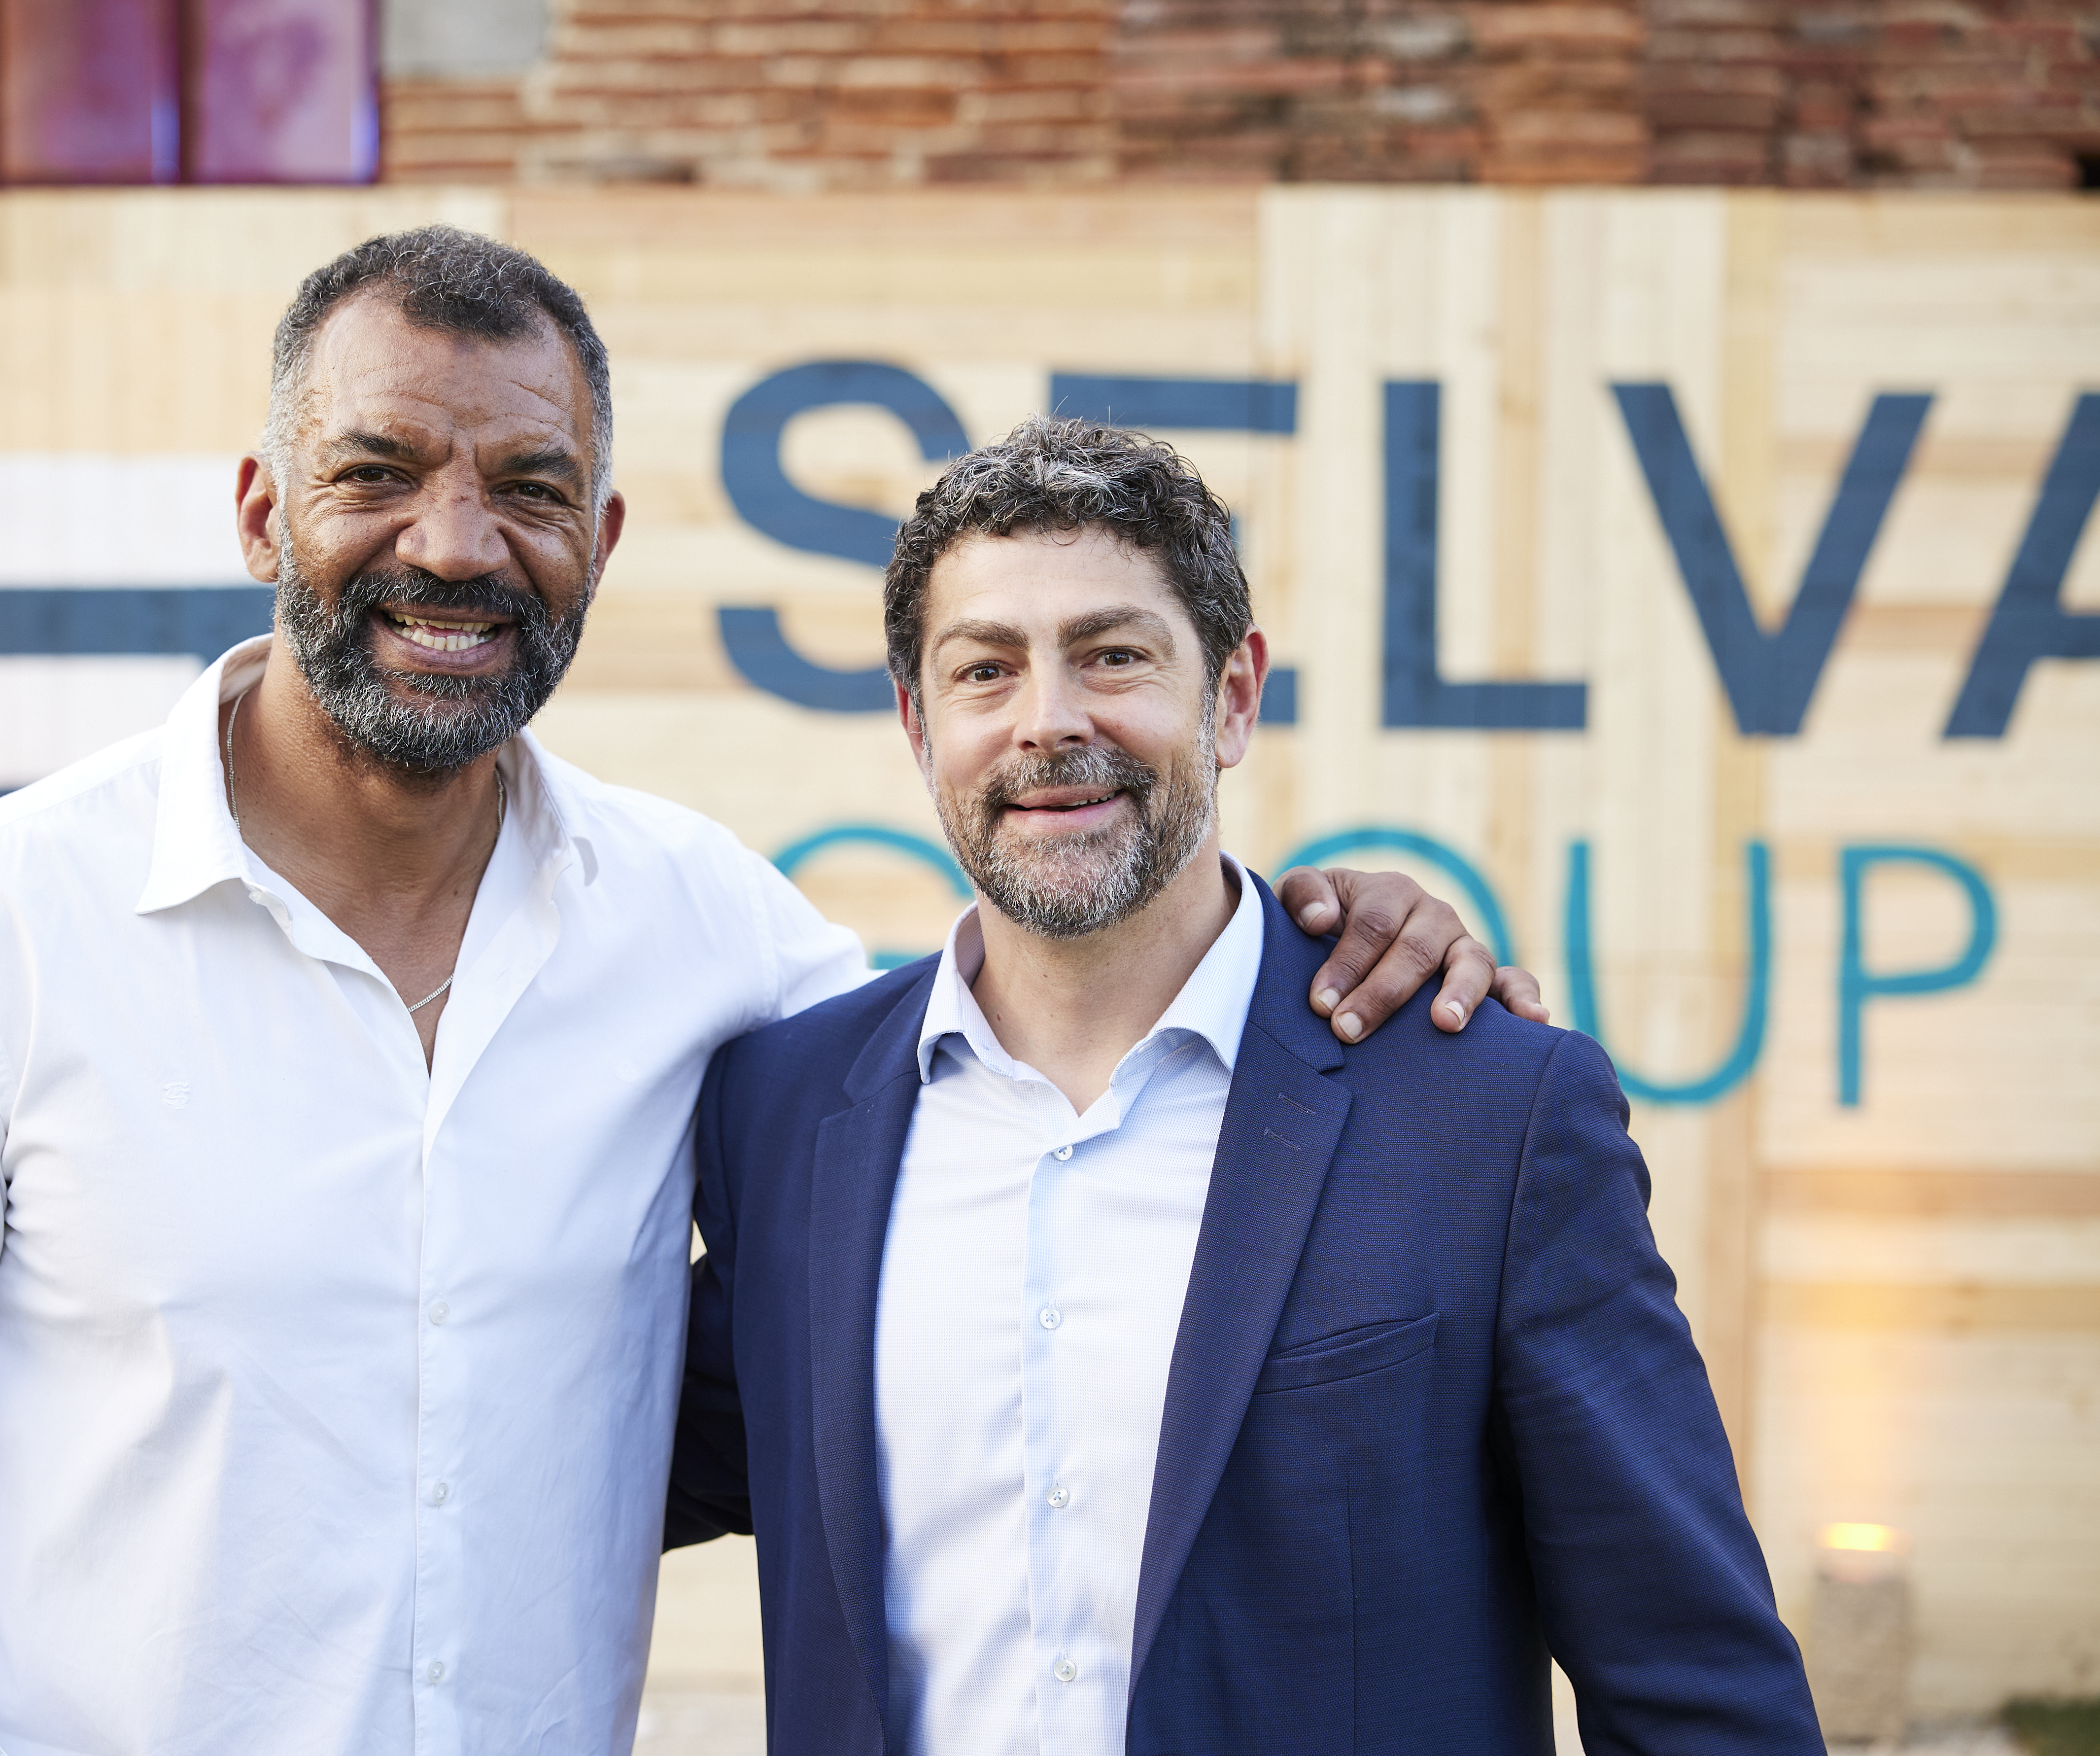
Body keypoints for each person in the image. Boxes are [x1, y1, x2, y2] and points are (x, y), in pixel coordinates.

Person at [0, 229, 1540, 1756]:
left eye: (528, 487)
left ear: (604, 537)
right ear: (263, 503)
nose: (453, 542)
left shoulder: (708, 934)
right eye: (376, 471)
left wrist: (1322, 924)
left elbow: (1052, 1043)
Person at [669, 416, 1824, 1754]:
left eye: (1114, 654)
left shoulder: (1490, 1119)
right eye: (988, 669)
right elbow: (563, 1442)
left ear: (1232, 695)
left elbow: (1697, 1691)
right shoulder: (785, 1115)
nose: (1050, 719)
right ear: (919, 722)